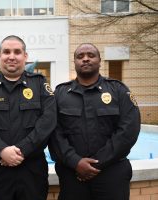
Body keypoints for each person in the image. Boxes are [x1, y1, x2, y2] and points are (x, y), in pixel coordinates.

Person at [48, 43, 140, 200]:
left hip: (112, 174)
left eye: (91, 55)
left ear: (99, 60)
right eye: (80, 56)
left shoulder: (118, 90)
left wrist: (95, 164)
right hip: (72, 175)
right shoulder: (60, 94)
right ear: (75, 62)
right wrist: (75, 162)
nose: (85, 59)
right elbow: (53, 132)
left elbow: (128, 131)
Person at [0, 35, 56, 200]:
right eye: (6, 52)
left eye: (17, 52)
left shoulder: (39, 84)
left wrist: (21, 150)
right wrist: (1, 150)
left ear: (25, 56)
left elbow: (48, 121)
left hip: (32, 170)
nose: (11, 56)